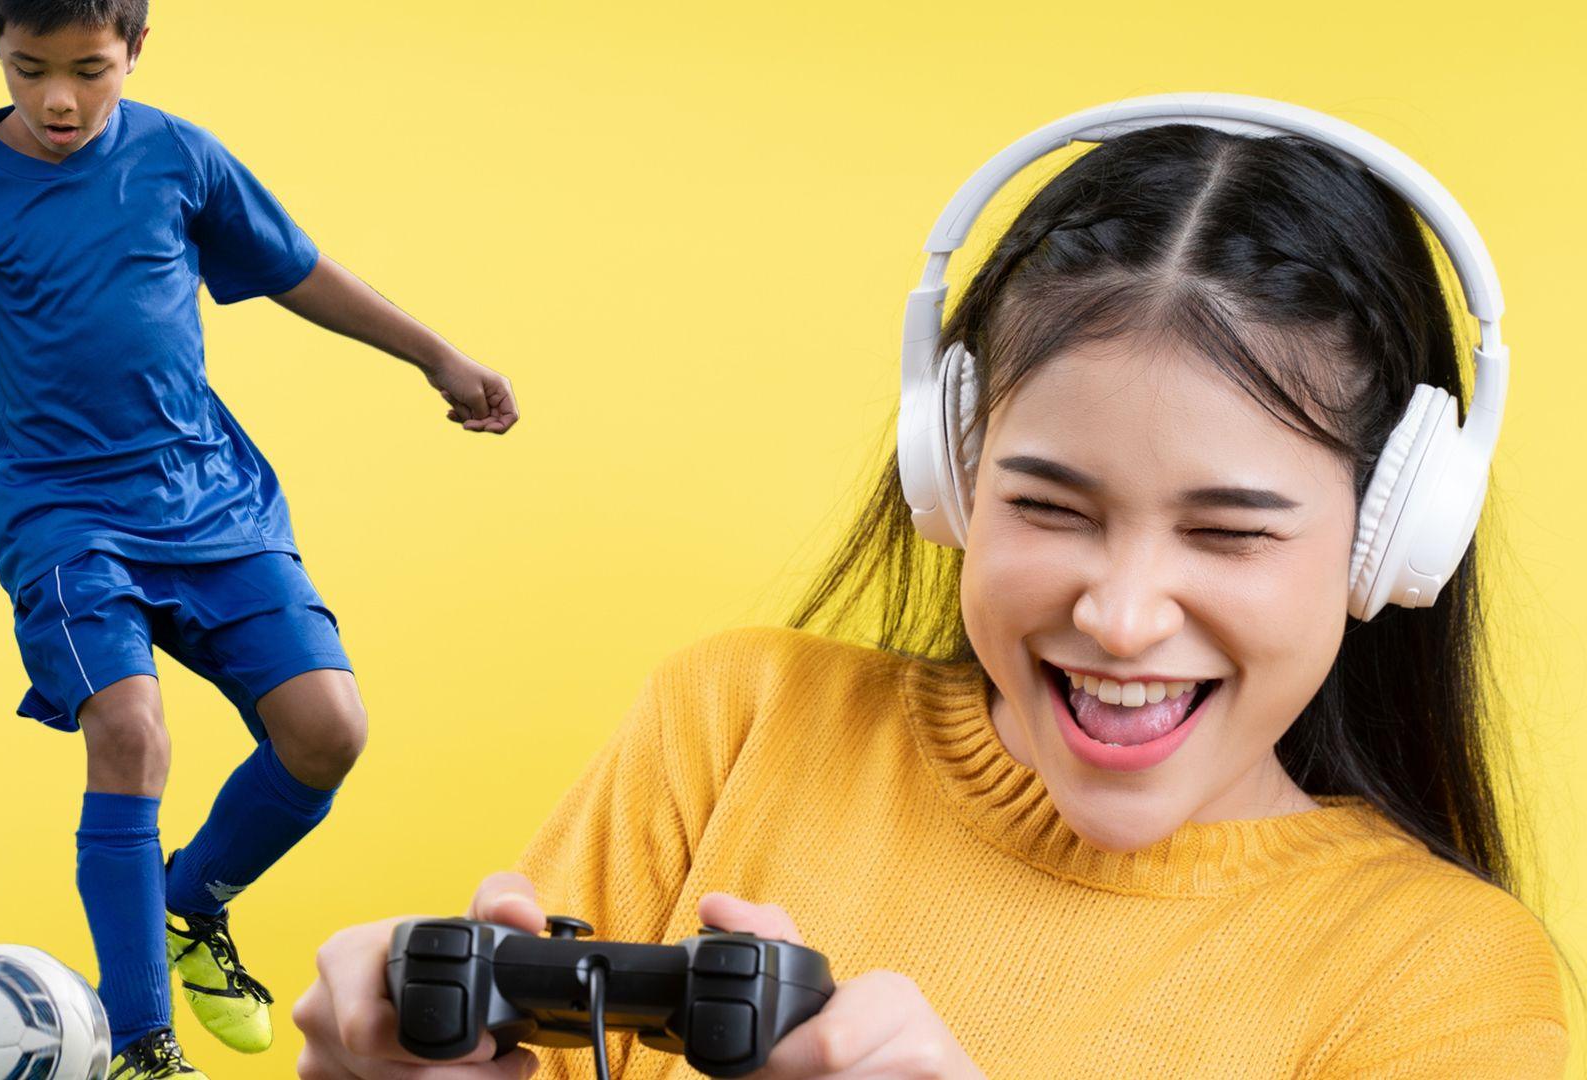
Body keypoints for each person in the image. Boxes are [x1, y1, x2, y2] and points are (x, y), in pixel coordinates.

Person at [290, 99, 1572, 1079]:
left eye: (1230, 534)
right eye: (1050, 507)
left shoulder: (1442, 983)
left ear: (1390, 543)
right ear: (950, 476)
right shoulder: (737, 724)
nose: (1122, 616)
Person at [0, 1, 518, 1076]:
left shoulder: (179, 159)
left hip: (212, 501)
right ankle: (139, 1042)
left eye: (88, 70)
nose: (58, 99)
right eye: (28, 71)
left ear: (136, 52)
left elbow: (298, 267)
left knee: (328, 731)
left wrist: (434, 355)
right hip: (63, 520)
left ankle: (182, 909)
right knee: (128, 731)